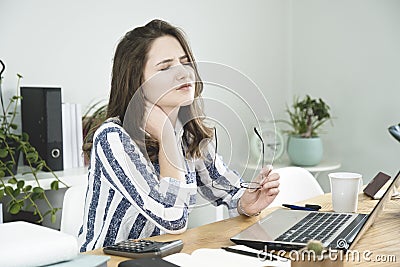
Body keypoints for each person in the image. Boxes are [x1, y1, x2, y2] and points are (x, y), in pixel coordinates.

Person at [78, 19, 280, 252]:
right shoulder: (113, 139)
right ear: (138, 82)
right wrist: (166, 137)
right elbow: (173, 219)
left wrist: (246, 202)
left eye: (185, 63)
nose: (183, 73)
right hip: (105, 261)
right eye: (165, 67)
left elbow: (228, 190)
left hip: (159, 257)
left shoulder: (188, 133)